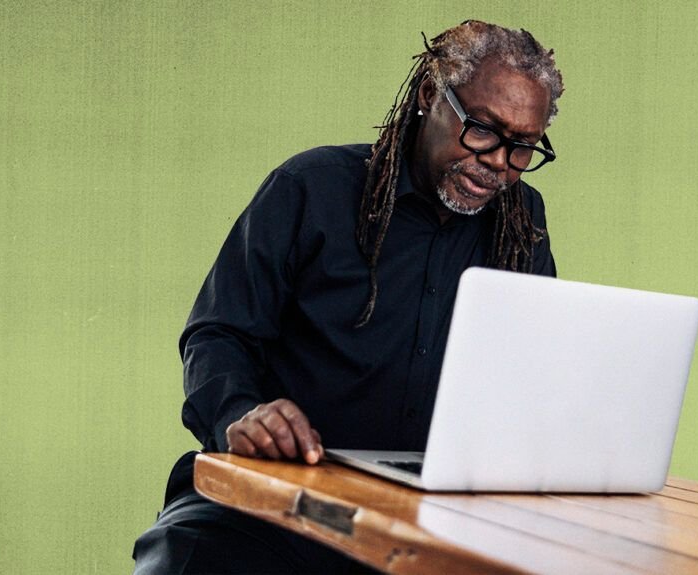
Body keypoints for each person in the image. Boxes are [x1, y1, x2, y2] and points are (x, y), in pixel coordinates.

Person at [133, 19, 565, 574]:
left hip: (429, 516)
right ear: (432, 96)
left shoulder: (522, 222)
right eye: (483, 129)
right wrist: (242, 412)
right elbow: (219, 333)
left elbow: (536, 373)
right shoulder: (311, 187)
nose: (500, 162)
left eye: (523, 146)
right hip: (280, 501)